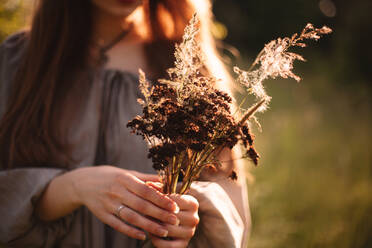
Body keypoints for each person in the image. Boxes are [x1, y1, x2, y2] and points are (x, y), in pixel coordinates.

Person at [0, 0, 251, 247]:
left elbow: (231, 203)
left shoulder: (187, 66)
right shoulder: (21, 61)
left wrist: (190, 214)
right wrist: (71, 188)